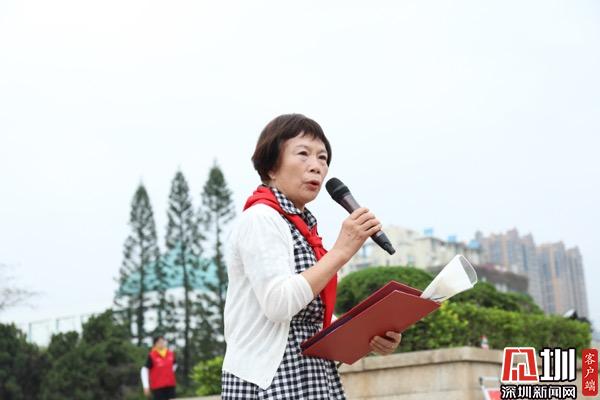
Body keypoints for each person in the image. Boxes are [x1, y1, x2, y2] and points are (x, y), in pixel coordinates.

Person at [221, 114, 402, 399]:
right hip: (272, 379)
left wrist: (369, 335)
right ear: (271, 167)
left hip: (311, 374)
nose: (316, 166)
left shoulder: (301, 226)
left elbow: (309, 312)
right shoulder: (261, 219)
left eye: (322, 157)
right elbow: (279, 304)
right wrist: (341, 251)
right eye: (303, 154)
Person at [140, 335, 177, 400]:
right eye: (159, 342)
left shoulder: (170, 353)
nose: (162, 343)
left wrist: (168, 374)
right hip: (158, 387)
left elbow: (175, 364)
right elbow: (144, 370)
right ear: (155, 344)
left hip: (170, 385)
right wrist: (146, 386)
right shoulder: (152, 355)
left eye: (163, 341)